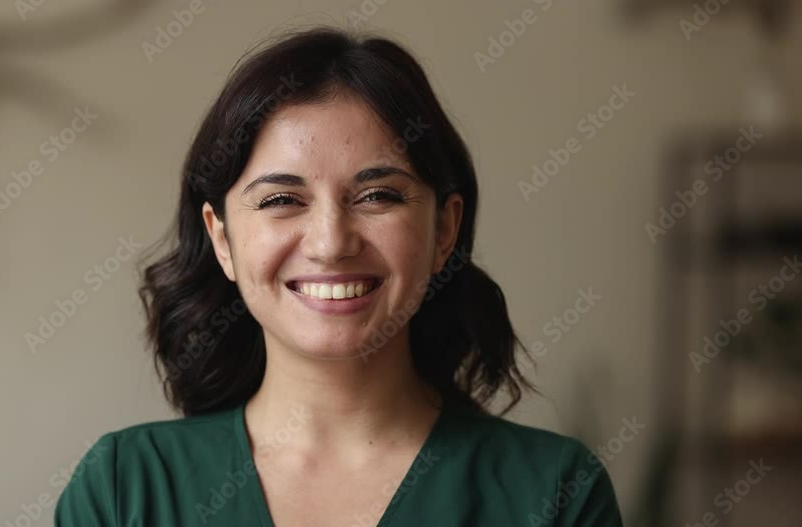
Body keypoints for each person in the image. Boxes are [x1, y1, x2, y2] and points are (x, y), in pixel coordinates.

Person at [54, 27, 623, 527]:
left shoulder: (555, 493)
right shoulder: (124, 489)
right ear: (221, 239)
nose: (330, 244)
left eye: (377, 195)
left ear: (444, 230)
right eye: (281, 200)